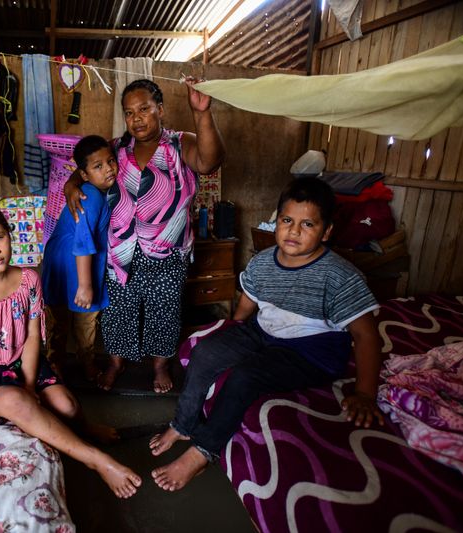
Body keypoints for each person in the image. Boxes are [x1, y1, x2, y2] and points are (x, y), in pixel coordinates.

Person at [148, 177, 385, 491]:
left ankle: (203, 451)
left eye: (308, 224)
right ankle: (183, 424)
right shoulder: (262, 262)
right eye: (287, 220)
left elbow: (367, 336)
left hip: (310, 351)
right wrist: (230, 334)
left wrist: (366, 394)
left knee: (245, 376)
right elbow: (247, 304)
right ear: (277, 221)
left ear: (326, 232)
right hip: (263, 332)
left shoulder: (339, 276)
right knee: (206, 352)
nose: (294, 231)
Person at [0, 199, 141, 498]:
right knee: (16, 402)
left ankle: (86, 426)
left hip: (19, 363)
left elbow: (30, 337)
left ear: (8, 233)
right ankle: (98, 461)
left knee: (67, 406)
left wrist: (28, 385)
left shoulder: (28, 279)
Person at [65, 78, 225, 393]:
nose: (136, 118)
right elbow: (88, 165)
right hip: (121, 250)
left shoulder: (180, 144)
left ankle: (160, 366)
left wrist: (202, 113)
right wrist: (72, 184)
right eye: (129, 112)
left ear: (160, 110)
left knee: (163, 312)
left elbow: (210, 162)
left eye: (144, 109)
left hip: (168, 252)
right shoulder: (116, 148)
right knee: (118, 312)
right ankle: (116, 362)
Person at [42, 135, 117, 381]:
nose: (108, 169)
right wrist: (85, 285)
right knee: (68, 318)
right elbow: (83, 242)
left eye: (111, 161)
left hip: (71, 260)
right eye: (98, 166)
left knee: (75, 317)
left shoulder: (97, 191)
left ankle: (78, 362)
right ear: (83, 174)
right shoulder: (90, 196)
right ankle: (57, 365)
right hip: (70, 263)